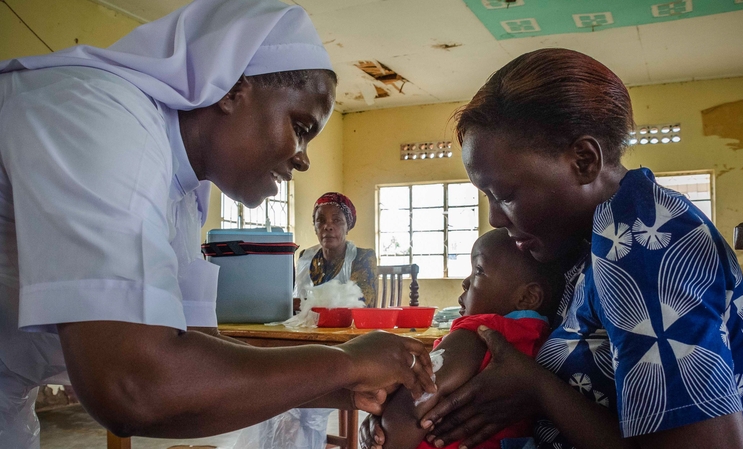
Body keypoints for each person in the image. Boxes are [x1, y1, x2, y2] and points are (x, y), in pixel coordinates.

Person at [0, 1, 435, 448]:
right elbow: (133, 387)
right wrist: (346, 362)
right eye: (300, 127)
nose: (303, 159)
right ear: (232, 91)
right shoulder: (99, 116)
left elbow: (192, 377)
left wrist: (349, 389)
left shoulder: (183, 193)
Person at [362, 48, 743, 449]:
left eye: (504, 194)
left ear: (584, 160)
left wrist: (537, 388)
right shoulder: (591, 235)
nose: (495, 219)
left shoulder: (641, 247)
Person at [379, 229, 563, 449]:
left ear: (527, 297)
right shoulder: (539, 340)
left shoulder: (477, 334)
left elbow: (413, 404)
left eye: (478, 270)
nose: (466, 282)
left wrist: (382, 428)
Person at [294, 192, 378, 308]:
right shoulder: (306, 258)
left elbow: (362, 304)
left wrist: (302, 303)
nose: (327, 226)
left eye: (337, 220)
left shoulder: (363, 257)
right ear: (315, 227)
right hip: (306, 325)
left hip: (347, 325)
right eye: (321, 220)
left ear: (347, 226)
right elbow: (294, 301)